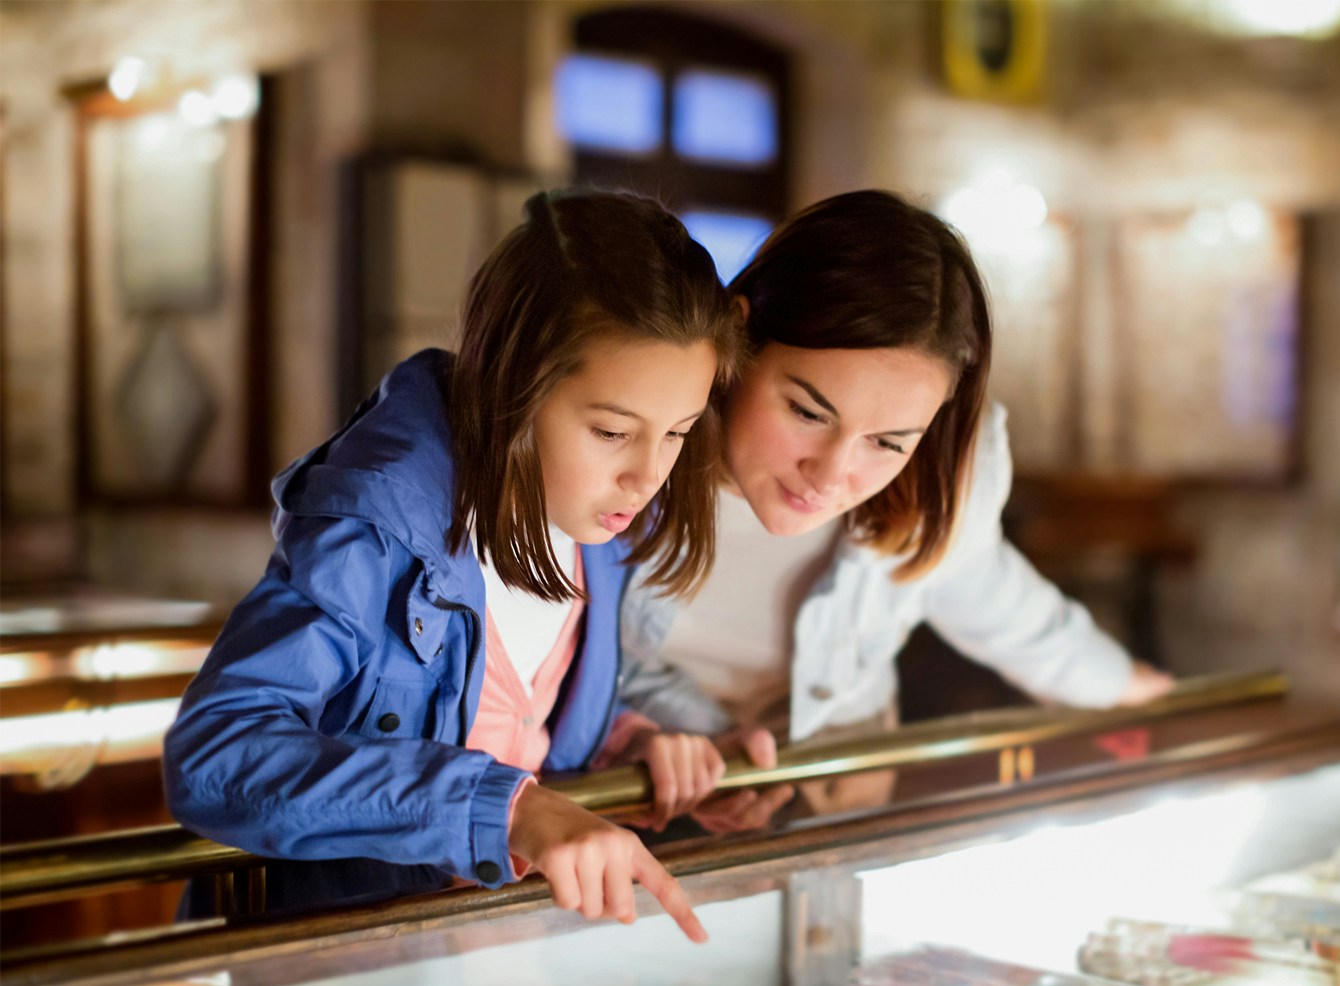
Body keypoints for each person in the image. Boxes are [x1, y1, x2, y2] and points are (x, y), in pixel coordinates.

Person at [163, 190, 744, 938]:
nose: (648, 476)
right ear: (512, 386)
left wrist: (633, 745)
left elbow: (518, 726)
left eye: (678, 433)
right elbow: (217, 756)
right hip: (336, 963)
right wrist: (503, 809)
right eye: (610, 431)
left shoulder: (604, 531)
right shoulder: (377, 533)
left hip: (485, 950)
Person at [619, 191, 1175, 829]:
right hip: (638, 790)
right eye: (807, 412)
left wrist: (1130, 689)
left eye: (887, 442)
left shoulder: (938, 479)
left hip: (832, 799)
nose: (831, 474)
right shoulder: (632, 445)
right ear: (740, 335)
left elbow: (998, 603)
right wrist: (699, 741)